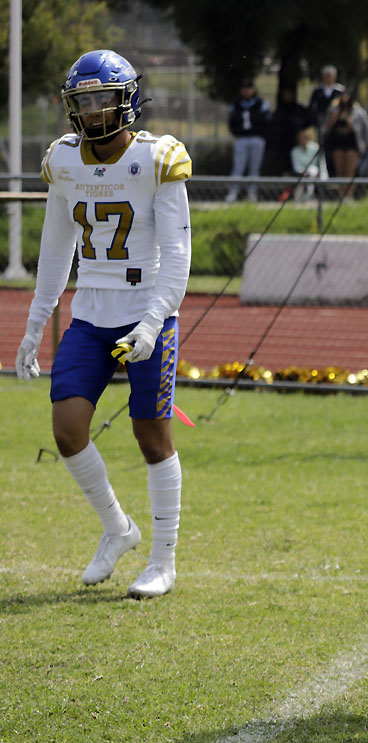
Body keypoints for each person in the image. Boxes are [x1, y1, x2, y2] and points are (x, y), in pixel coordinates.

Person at [14, 50, 191, 598]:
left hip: (146, 312)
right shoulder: (64, 160)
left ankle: (164, 560)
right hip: (90, 314)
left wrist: (153, 322)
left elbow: (177, 253)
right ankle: (118, 529)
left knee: (151, 435)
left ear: (126, 100)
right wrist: (34, 322)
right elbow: (54, 248)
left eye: (101, 98)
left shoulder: (158, 158)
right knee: (67, 430)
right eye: (82, 100)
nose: (92, 111)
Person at [323, 90, 368, 199]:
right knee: (340, 172)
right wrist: (333, 120)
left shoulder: (358, 112)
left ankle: (349, 195)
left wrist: (349, 123)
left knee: (350, 172)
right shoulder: (333, 110)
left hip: (352, 145)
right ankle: (341, 195)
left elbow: (366, 131)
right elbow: (326, 130)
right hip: (338, 144)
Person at [225, 79, 271, 202]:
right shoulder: (236, 105)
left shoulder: (261, 104)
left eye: (249, 88)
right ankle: (233, 192)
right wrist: (236, 133)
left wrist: (262, 134)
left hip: (257, 138)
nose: (247, 91)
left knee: (254, 168)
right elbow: (231, 122)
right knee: (238, 166)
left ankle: (252, 193)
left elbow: (266, 122)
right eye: (244, 89)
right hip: (242, 138)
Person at [268, 84, 315, 177]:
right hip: (283, 143)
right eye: (285, 95)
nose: (287, 97)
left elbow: (308, 123)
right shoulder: (279, 111)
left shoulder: (300, 109)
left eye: (289, 94)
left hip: (297, 142)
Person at [308, 65, 346, 139]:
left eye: (330, 76)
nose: (328, 78)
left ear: (335, 77)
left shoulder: (340, 90)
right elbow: (312, 107)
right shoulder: (317, 91)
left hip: (336, 119)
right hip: (321, 120)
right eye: (326, 76)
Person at [290, 126, 328, 201]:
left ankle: (308, 196)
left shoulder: (316, 148)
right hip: (300, 174)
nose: (302, 139)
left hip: (314, 174)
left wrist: (323, 175)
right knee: (306, 176)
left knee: (312, 171)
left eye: (304, 137)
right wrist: (303, 172)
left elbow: (322, 164)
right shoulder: (294, 151)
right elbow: (296, 166)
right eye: (300, 137)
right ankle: (300, 199)